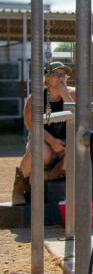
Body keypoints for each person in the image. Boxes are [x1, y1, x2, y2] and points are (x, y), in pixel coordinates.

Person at [11, 62, 76, 206]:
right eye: (56, 75)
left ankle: (45, 177)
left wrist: (65, 95)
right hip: (45, 143)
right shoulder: (36, 98)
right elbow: (31, 126)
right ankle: (19, 188)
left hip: (65, 144)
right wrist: (52, 141)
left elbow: (78, 120)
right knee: (36, 150)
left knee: (79, 153)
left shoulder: (72, 94)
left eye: (63, 75)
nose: (61, 78)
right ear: (47, 78)